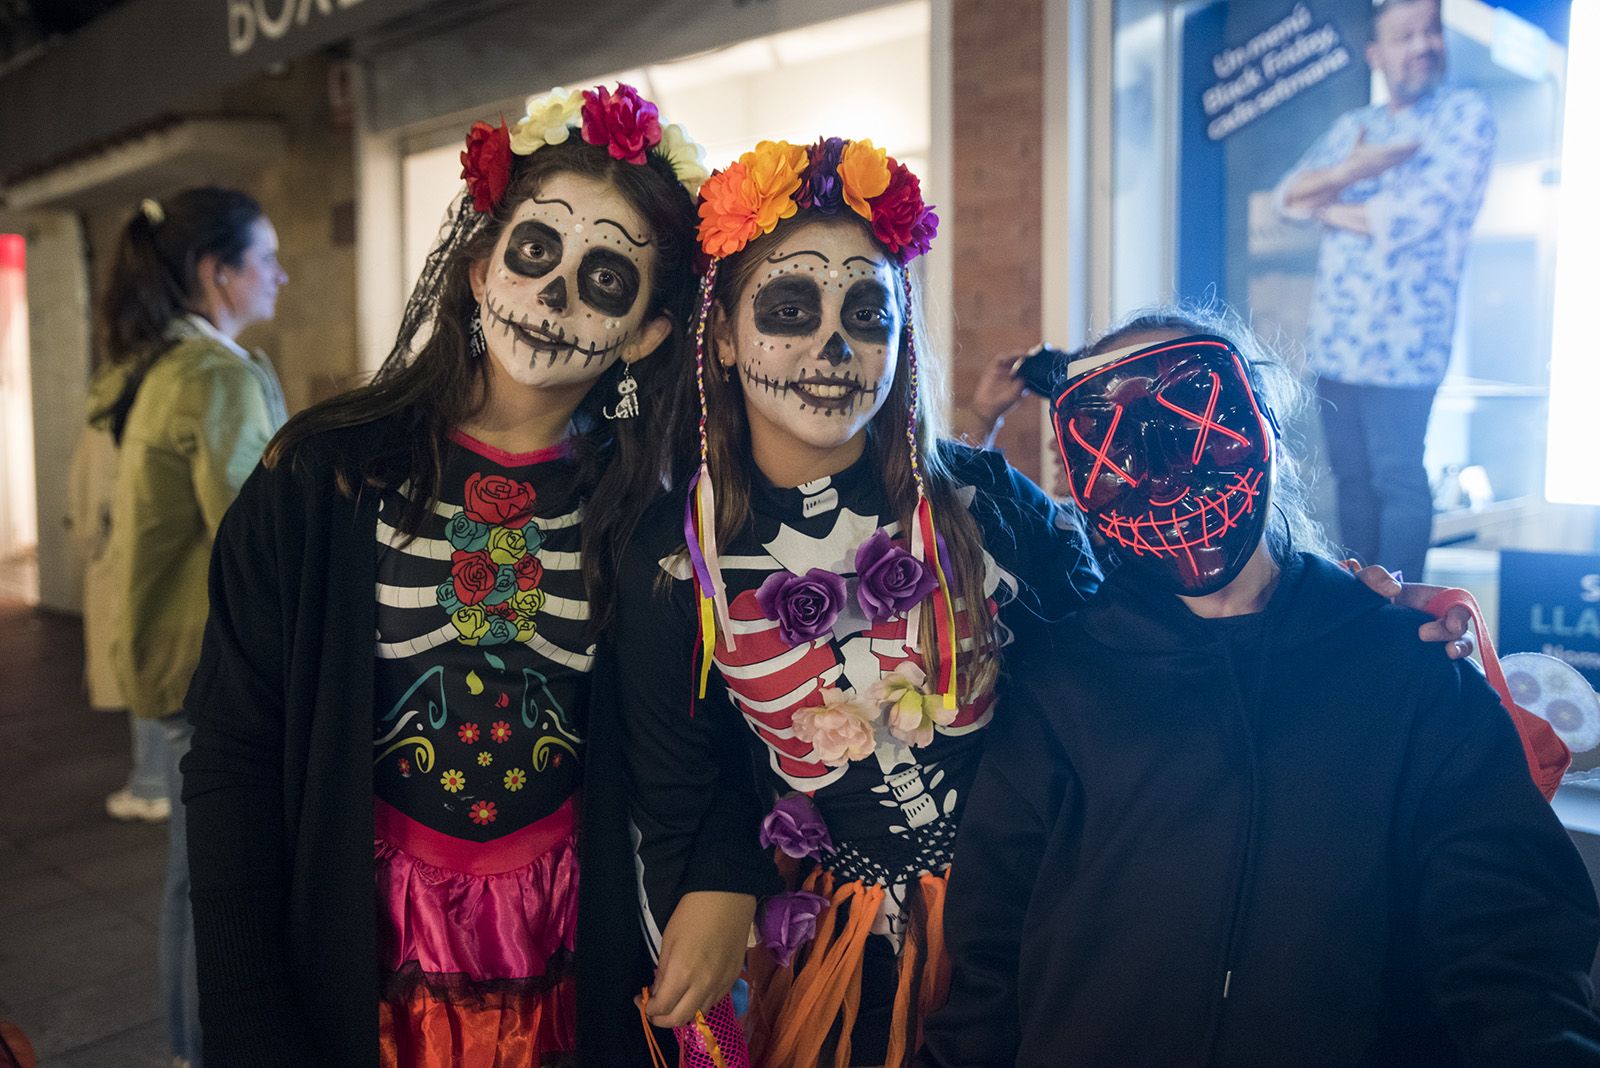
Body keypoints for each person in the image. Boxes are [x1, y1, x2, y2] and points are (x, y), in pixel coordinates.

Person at [615, 146, 1470, 1067]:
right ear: (727, 337)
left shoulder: (980, 501)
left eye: (868, 314)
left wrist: (1329, 601)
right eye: (790, 311)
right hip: (825, 949)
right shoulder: (677, 555)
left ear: (902, 336)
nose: (835, 346)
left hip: (1039, 920)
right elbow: (679, 779)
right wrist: (715, 887)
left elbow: (1153, 617)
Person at [180, 84, 708, 1067]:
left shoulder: (656, 516)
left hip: (567, 964)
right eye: (535, 252)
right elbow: (233, 763)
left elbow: (696, 743)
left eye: (605, 279)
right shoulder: (315, 480)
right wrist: (248, 1020)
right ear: (478, 268)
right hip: (357, 961)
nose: (553, 297)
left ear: (645, 332)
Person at [919, 310, 1600, 1066]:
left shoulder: (1407, 672)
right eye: (1115, 440)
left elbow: (1514, 960)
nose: (1164, 469)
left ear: (1265, 422)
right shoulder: (1060, 683)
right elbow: (988, 975)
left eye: (1191, 420)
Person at [93, 187, 288, 1068]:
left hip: (163, 652)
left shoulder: (162, 366)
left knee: (189, 871)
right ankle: (196, 1049)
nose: (279, 275)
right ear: (218, 272)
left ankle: (184, 1045)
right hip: (204, 664)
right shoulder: (215, 376)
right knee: (209, 877)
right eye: (266, 258)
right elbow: (257, 537)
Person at [1275, 0, 1495, 583]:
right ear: (1376, 54)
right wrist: (1355, 169)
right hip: (1338, 338)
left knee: (1398, 473)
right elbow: (1288, 198)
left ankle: (1404, 612)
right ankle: (1365, 604)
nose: (1422, 44)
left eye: (1431, 31)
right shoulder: (1356, 129)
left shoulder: (1464, 115)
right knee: (1350, 476)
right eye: (1405, 35)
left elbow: (1415, 216)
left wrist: (1333, 207)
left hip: (1409, 340)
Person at [69, 402, 169, 823]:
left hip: (127, 563)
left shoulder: (108, 414)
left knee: (141, 671)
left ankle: (151, 784)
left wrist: (88, 544)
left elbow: (90, 507)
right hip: (173, 566)